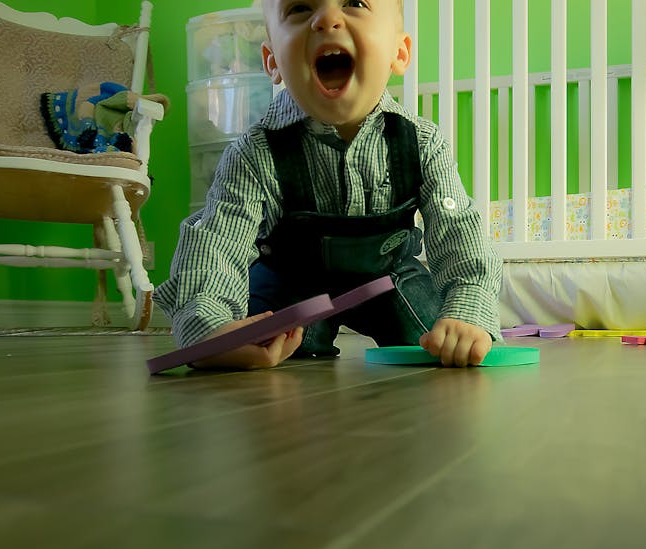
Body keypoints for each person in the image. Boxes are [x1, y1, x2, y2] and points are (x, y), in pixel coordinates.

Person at [154, 0, 502, 369]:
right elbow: (217, 242)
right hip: (292, 282)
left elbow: (459, 232)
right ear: (273, 62)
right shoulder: (255, 153)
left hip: (390, 277)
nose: (326, 19)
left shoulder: (422, 142)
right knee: (264, 343)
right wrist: (210, 327)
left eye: (354, 3)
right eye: (301, 8)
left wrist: (469, 307)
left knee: (441, 339)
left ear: (398, 53)